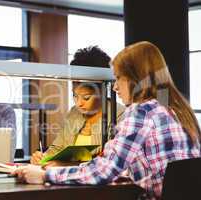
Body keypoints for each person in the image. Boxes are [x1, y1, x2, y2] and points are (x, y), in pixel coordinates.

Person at [13, 41, 201, 199]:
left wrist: (45, 175)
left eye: (119, 78)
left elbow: (105, 170)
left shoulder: (141, 111)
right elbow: (144, 166)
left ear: (135, 79)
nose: (116, 87)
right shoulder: (177, 110)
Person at [30, 46, 124, 166]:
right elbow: (57, 148)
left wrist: (65, 164)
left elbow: (109, 161)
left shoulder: (119, 115)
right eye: (75, 96)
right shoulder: (74, 113)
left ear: (102, 91)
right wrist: (43, 157)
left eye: (86, 98)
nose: (79, 103)